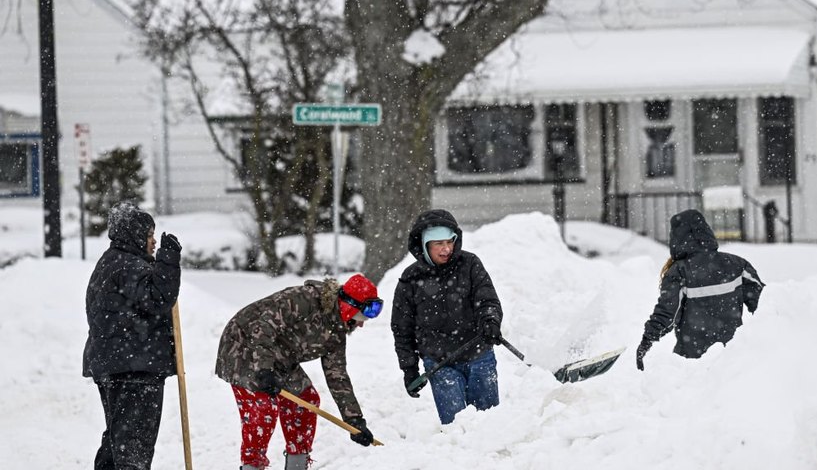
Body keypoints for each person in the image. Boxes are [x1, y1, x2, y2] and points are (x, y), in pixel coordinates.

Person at [215, 274, 382, 470]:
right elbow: (263, 326)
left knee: (306, 400)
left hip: (279, 358)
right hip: (243, 346)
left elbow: (337, 376)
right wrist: (264, 369)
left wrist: (354, 420)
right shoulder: (304, 300)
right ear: (348, 307)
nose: (361, 324)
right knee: (263, 410)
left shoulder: (337, 332)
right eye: (360, 318)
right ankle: (252, 466)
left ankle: (297, 465)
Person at [82, 201, 182, 469]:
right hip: (134, 370)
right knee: (133, 446)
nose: (153, 242)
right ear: (135, 236)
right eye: (150, 235)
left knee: (119, 441)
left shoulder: (112, 262)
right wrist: (169, 262)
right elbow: (159, 298)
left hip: (118, 366)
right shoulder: (128, 266)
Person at [391, 209, 504, 425]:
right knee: (455, 429)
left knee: (490, 425)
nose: (446, 249)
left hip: (478, 355)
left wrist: (490, 321)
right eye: (438, 244)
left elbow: (487, 300)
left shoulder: (470, 265)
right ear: (424, 245)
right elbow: (402, 329)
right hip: (440, 363)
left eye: (449, 242)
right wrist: (410, 369)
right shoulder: (411, 279)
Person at [636, 209, 765, 370]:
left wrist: (647, 340)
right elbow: (766, 302)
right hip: (732, 356)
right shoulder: (737, 264)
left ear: (675, 237)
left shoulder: (679, 271)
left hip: (692, 360)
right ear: (706, 230)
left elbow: (667, 313)